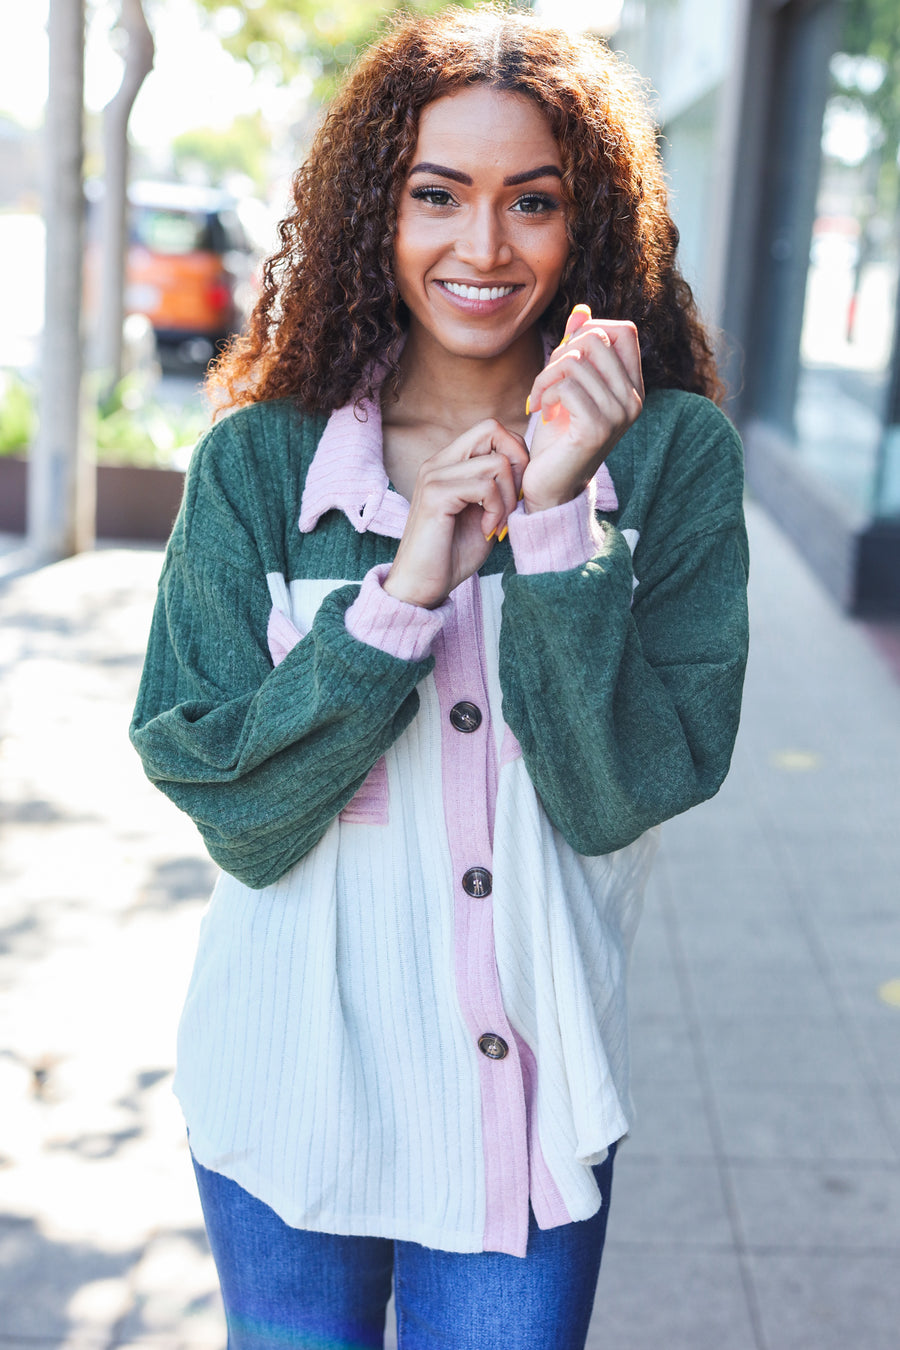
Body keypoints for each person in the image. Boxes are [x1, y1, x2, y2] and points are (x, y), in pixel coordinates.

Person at [130, 6, 749, 1348]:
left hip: (525, 1100)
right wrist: (404, 592)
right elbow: (235, 810)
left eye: (533, 201)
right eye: (437, 195)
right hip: (286, 1092)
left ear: (584, 220)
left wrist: (561, 527)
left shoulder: (675, 457)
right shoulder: (261, 465)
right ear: (377, 210)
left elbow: (616, 795)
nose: (484, 247)